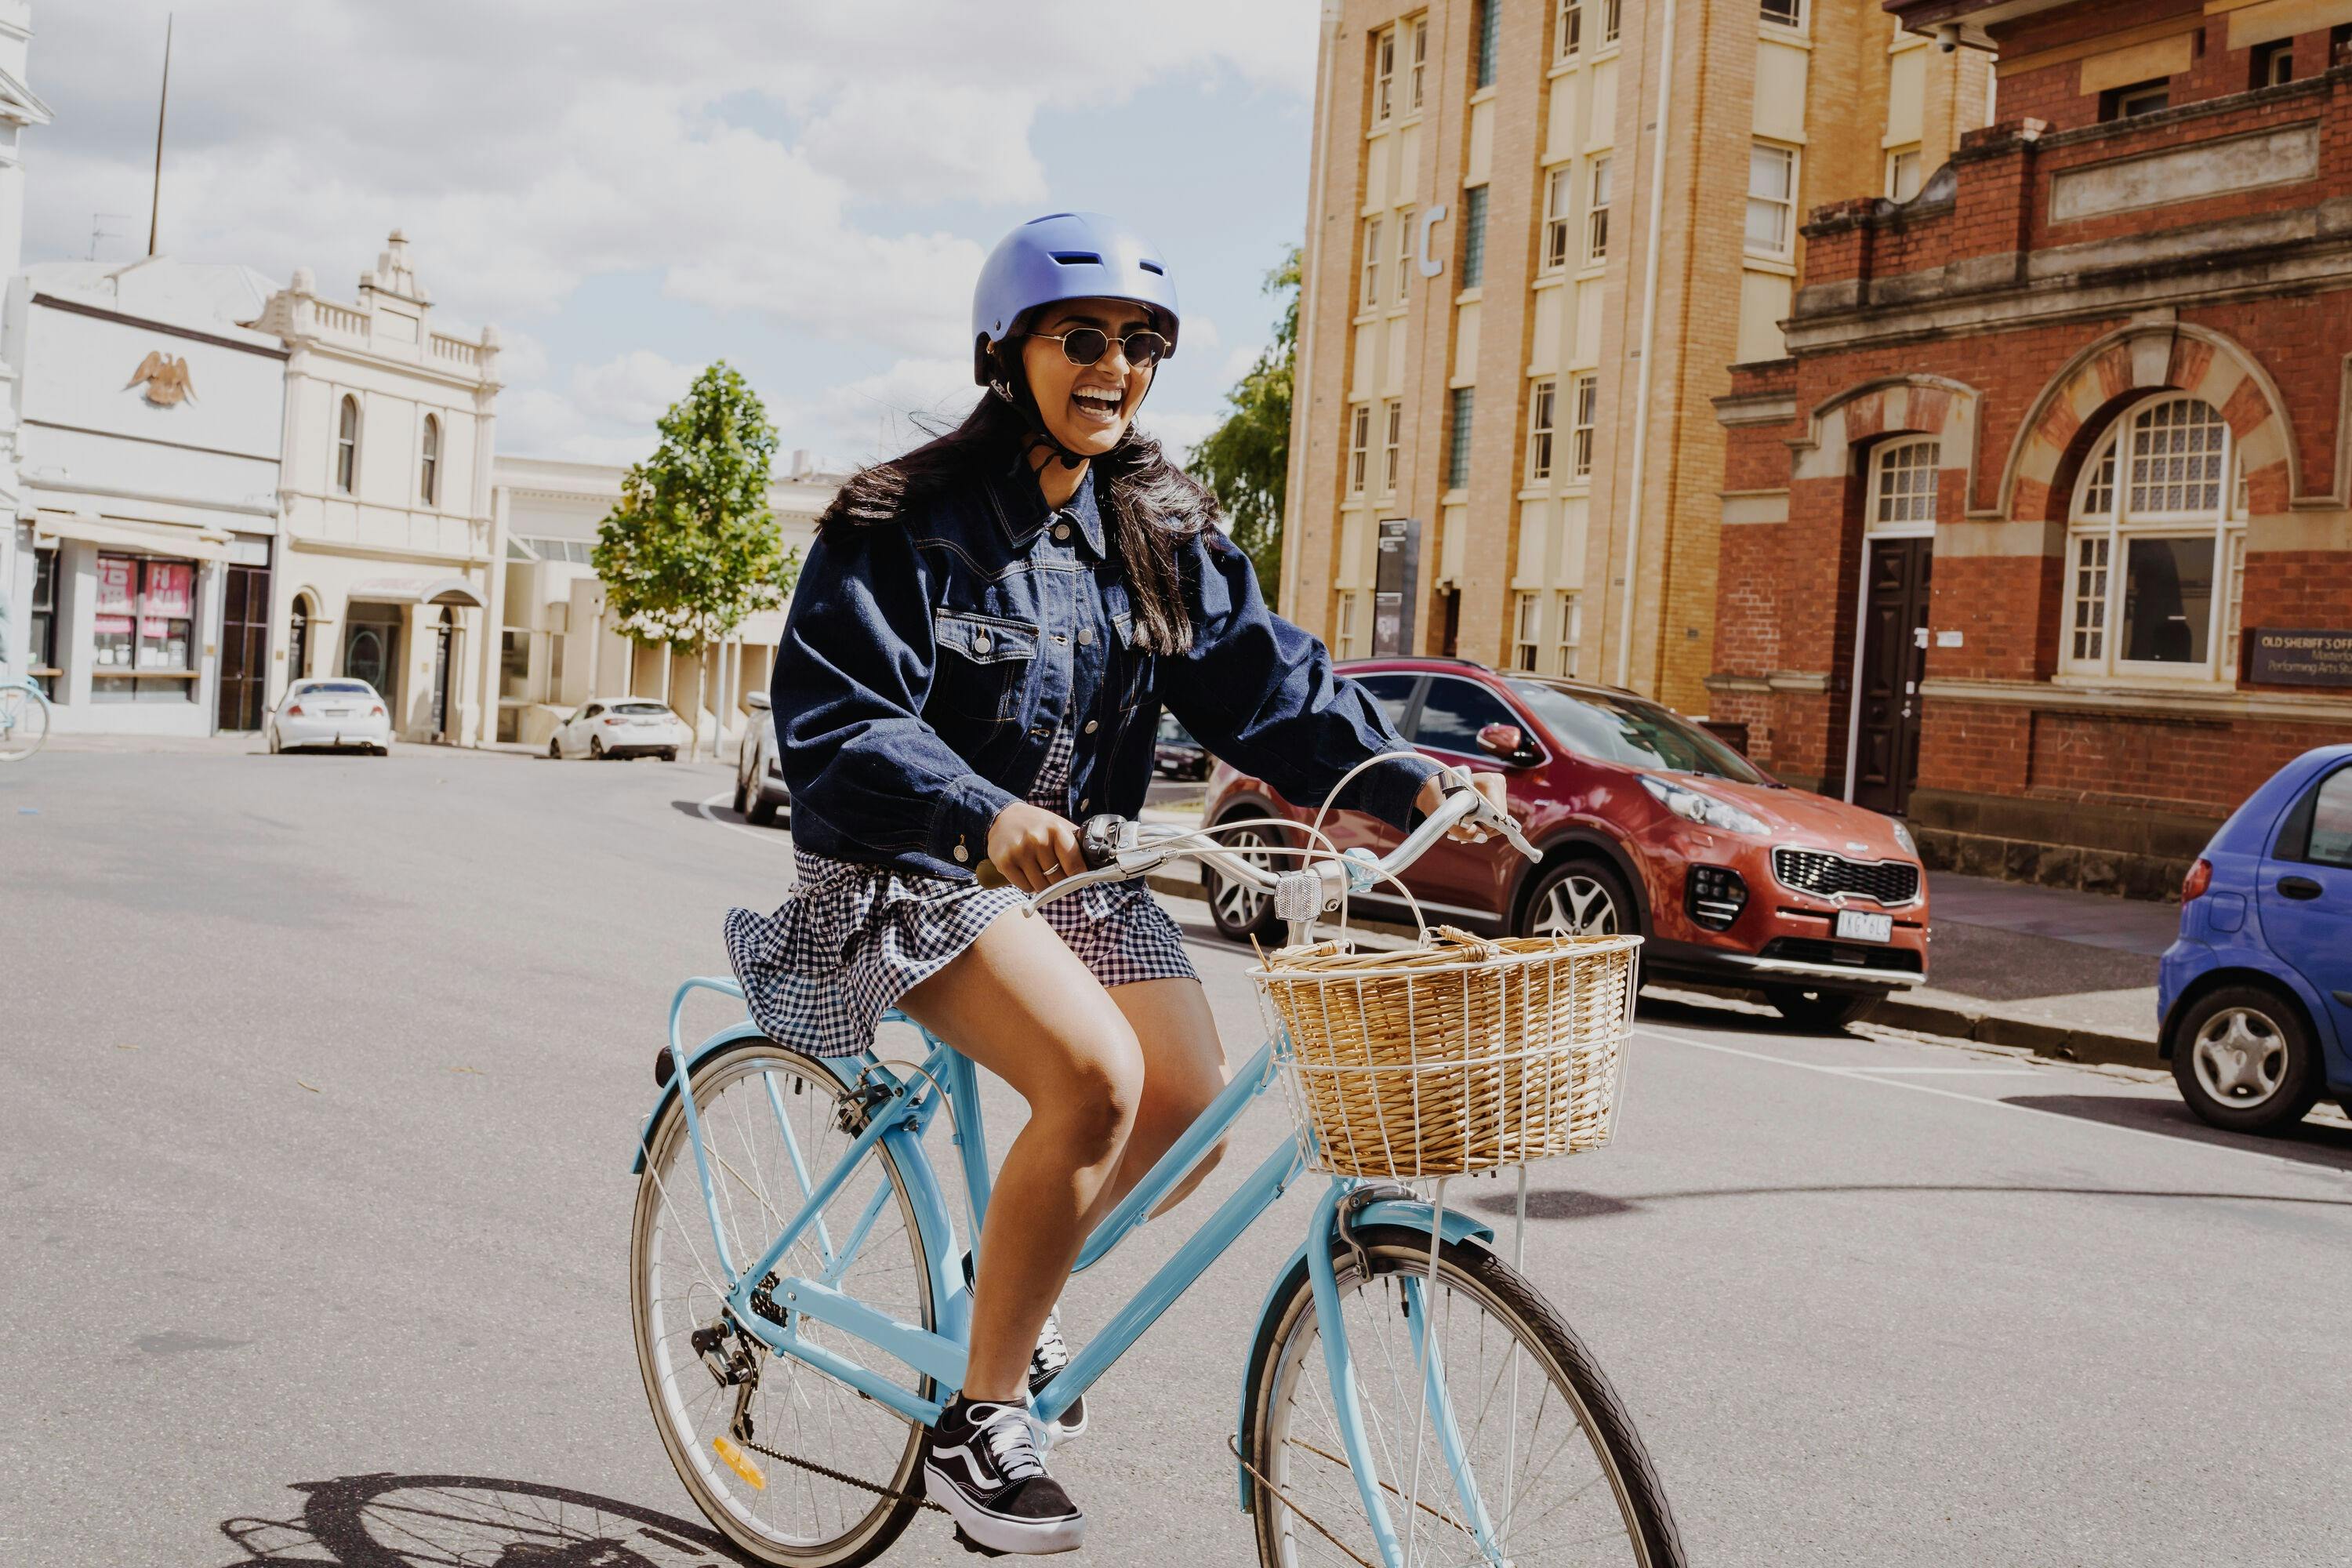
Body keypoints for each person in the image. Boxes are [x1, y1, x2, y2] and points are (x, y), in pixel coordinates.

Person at [725, 211, 1508, 1556]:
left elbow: (1265, 682)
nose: (1114, 367)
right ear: (1006, 351)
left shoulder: (1159, 527)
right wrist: (982, 810)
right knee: (1095, 1078)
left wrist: (1398, 773)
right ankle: (979, 1416)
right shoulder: (899, 521)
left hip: (1080, 865)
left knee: (1190, 1105)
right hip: (911, 862)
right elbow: (842, 721)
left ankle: (1005, 1306)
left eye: (1140, 344)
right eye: (1080, 338)